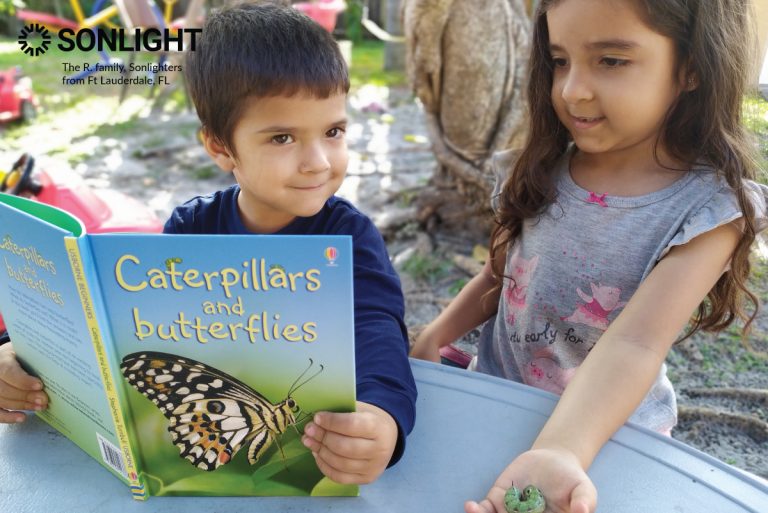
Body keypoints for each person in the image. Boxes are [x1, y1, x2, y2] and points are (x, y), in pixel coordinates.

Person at [0, 2, 416, 486]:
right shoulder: (191, 228)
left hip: (302, 458)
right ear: (220, 147)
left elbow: (378, 329)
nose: (319, 161)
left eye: (334, 131)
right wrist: (17, 355)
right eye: (283, 137)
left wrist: (383, 415)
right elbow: (123, 330)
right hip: (193, 455)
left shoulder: (349, 237)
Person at [411, 0, 767, 511]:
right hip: (494, 399)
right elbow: (502, 275)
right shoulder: (538, 169)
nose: (572, 89)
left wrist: (562, 448)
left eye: (611, 60)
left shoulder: (709, 213)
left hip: (606, 442)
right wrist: (435, 336)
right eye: (559, 61)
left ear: (691, 66)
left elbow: (638, 344)